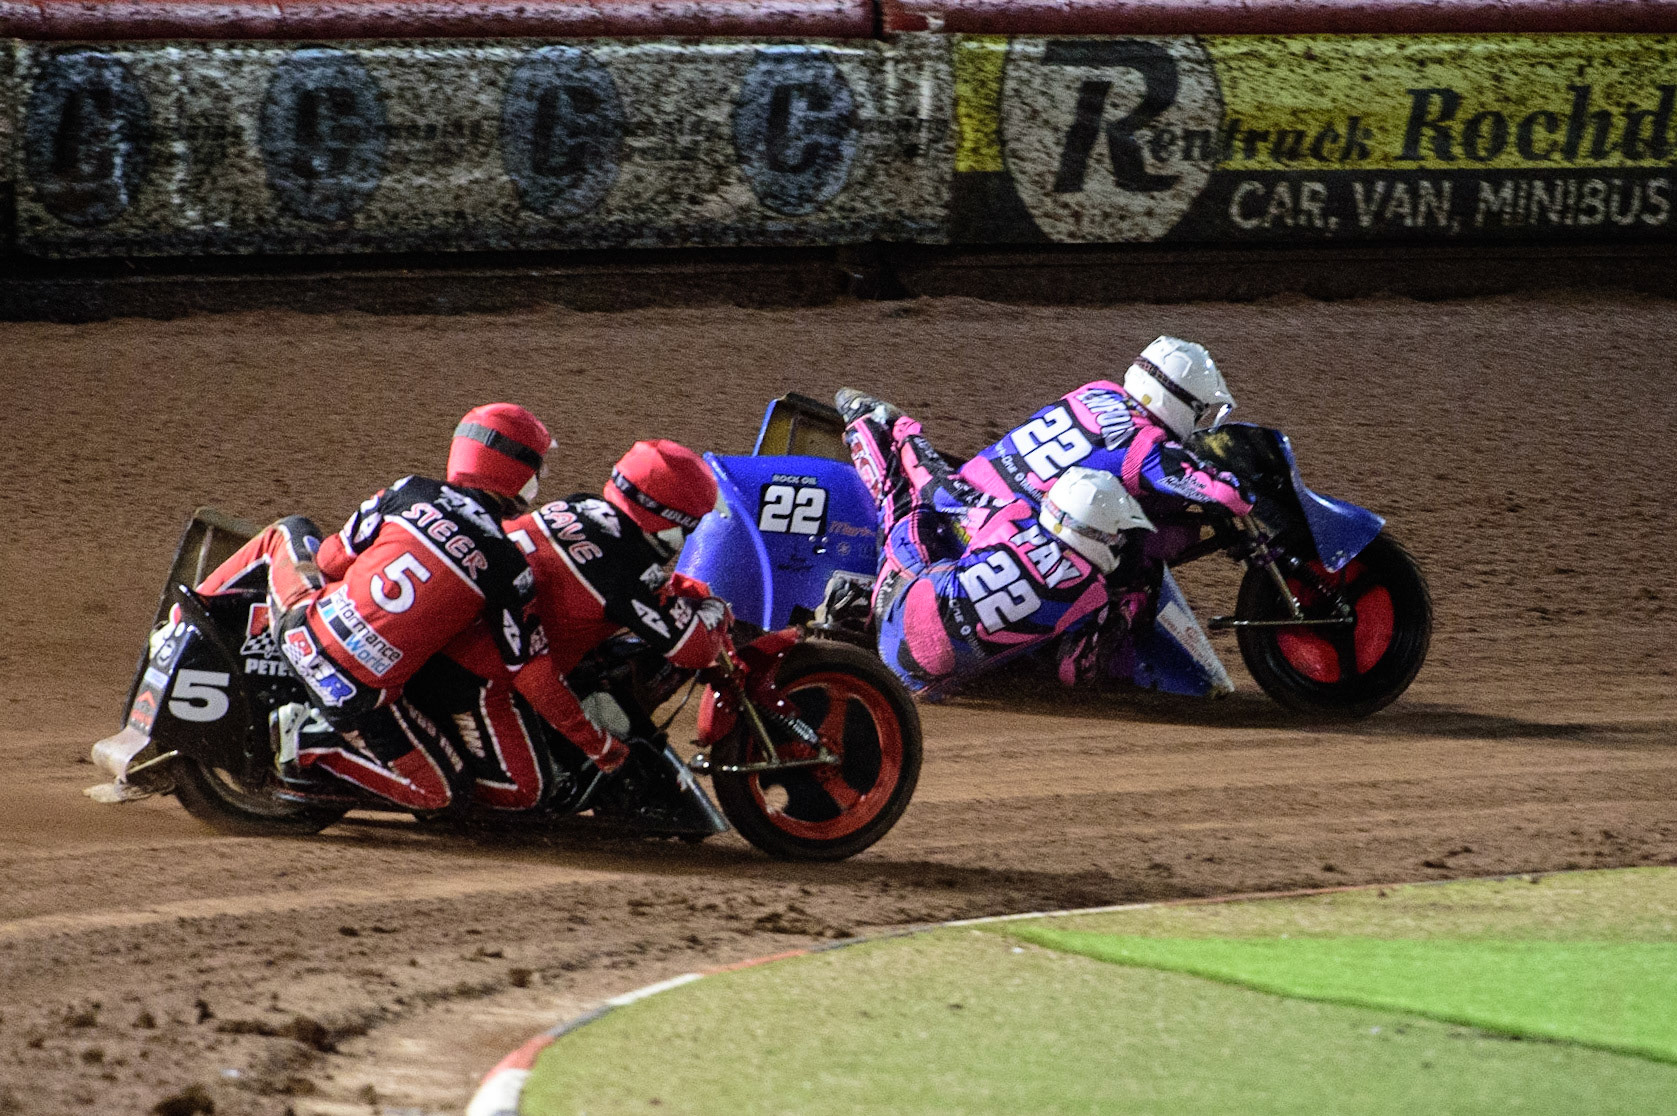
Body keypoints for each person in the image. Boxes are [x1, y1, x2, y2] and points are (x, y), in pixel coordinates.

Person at [194, 404, 556, 812]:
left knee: (289, 531)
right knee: (440, 795)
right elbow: (522, 660)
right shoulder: (507, 564)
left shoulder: (408, 489)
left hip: (300, 627)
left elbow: (331, 560)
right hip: (357, 697)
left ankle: (194, 608)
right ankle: (312, 742)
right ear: (516, 469)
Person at [836, 389, 1155, 695]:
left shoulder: (1011, 517)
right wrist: (1126, 613)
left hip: (897, 609)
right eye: (1117, 534)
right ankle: (862, 602)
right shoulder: (1092, 594)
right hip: (927, 681)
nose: (1119, 542)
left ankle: (862, 422)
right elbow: (1071, 673)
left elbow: (937, 486)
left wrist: (907, 433)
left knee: (905, 498)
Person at [956, 336, 1254, 522]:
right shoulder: (1144, 447)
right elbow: (1229, 497)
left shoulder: (1096, 390)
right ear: (1181, 402)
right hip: (998, 528)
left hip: (963, 492)